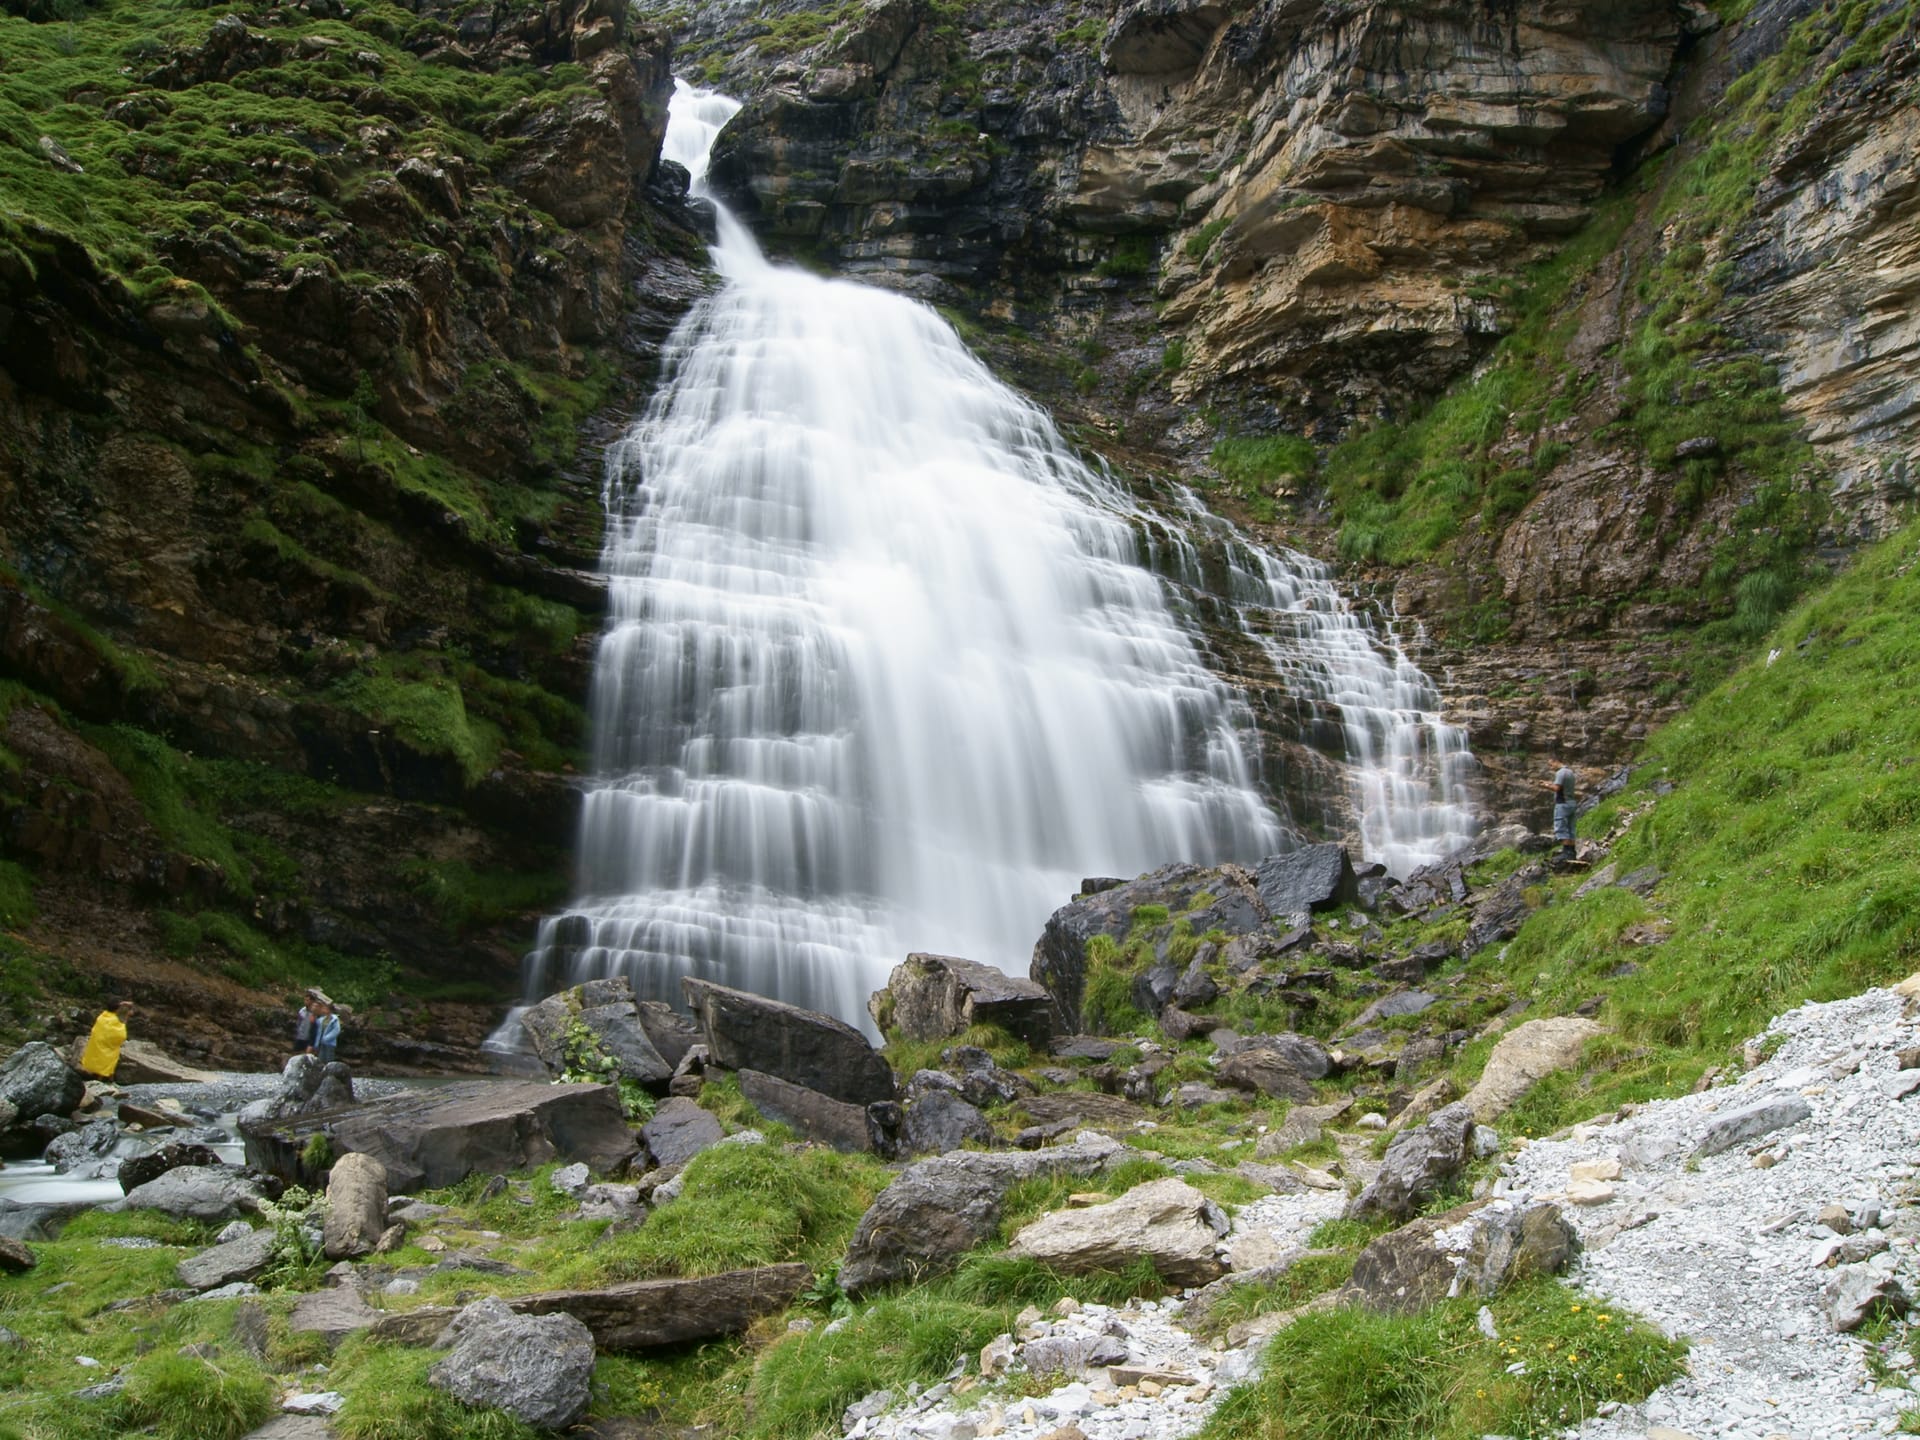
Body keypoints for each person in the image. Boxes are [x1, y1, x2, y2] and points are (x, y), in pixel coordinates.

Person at [79, 998, 133, 1081]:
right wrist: (126, 1018)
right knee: (108, 1057)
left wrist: (122, 1003)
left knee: (95, 1057)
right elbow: (121, 1036)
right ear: (118, 1009)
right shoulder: (114, 1021)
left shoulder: (102, 1016)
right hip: (105, 1051)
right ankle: (101, 1079)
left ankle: (91, 1075)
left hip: (95, 1047)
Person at [1541, 759, 1578, 862]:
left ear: (1556, 761)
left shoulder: (1560, 772)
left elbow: (1557, 788)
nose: (1550, 767)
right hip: (1571, 803)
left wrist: (1546, 785)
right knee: (1570, 827)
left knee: (1561, 826)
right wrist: (1550, 783)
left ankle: (1566, 852)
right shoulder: (1570, 772)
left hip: (1562, 804)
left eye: (1550, 764)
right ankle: (1572, 852)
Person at [293, 987, 328, 1054]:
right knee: (296, 1053)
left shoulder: (316, 1013)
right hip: (300, 1036)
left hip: (309, 1038)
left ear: (312, 1001)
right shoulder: (302, 1011)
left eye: (307, 1000)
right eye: (305, 1000)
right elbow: (299, 1022)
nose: (305, 1002)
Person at [311, 1000, 341, 1065]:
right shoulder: (322, 1019)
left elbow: (336, 1030)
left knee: (329, 1060)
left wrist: (326, 1038)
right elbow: (318, 1029)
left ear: (329, 1010)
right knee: (321, 1059)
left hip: (330, 1043)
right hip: (321, 1042)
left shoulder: (334, 1019)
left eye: (325, 1008)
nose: (323, 1010)